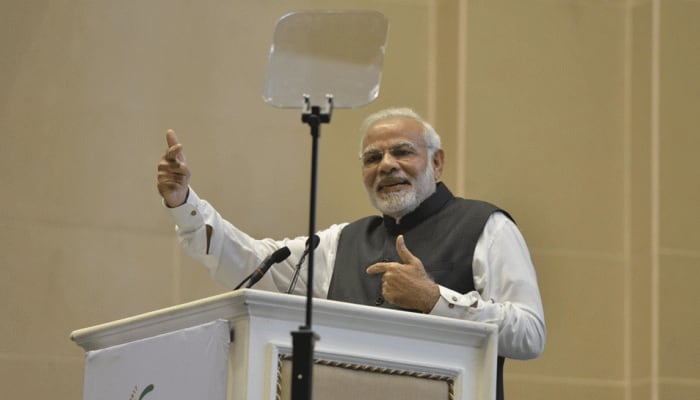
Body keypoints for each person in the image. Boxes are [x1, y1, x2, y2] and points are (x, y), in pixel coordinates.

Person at [157, 107, 545, 400]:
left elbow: (529, 334)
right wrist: (185, 204)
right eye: (373, 158)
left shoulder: (486, 225)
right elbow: (253, 262)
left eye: (402, 152)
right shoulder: (341, 241)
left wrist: (436, 300)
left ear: (437, 162)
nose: (387, 165)